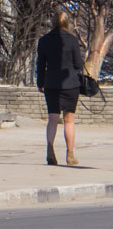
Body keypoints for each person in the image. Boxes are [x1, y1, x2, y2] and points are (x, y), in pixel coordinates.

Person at [36, 10, 85, 165]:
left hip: (51, 84)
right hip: (70, 84)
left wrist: (40, 83)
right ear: (66, 22)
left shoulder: (43, 40)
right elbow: (78, 64)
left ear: (53, 22)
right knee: (69, 121)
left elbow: (41, 64)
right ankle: (70, 154)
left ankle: (50, 150)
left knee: (52, 119)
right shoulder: (71, 40)